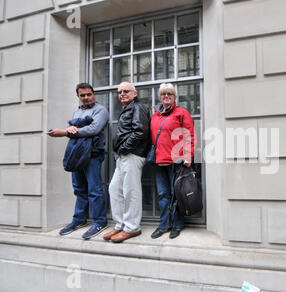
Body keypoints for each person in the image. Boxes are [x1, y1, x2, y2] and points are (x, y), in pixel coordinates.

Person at [47, 83, 109, 239]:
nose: (86, 97)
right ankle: (79, 220)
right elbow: (72, 128)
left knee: (94, 189)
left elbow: (93, 129)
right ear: (78, 96)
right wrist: (70, 129)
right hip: (77, 154)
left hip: (93, 154)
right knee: (79, 189)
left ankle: (100, 221)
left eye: (89, 94)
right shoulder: (76, 112)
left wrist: (66, 132)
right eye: (83, 95)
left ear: (93, 94)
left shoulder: (100, 110)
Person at [102, 82, 150, 243]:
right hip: (123, 155)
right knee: (114, 189)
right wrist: (121, 151)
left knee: (131, 191)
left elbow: (140, 132)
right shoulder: (127, 109)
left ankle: (132, 227)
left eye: (126, 91)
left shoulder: (138, 108)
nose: (122, 94)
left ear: (134, 93)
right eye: (120, 92)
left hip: (132, 154)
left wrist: (123, 148)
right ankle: (120, 224)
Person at [150, 83, 196, 240]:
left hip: (176, 161)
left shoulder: (181, 113)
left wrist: (188, 156)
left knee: (177, 195)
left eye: (169, 94)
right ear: (160, 97)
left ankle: (177, 224)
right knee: (163, 195)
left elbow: (189, 135)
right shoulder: (155, 115)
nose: (166, 96)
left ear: (175, 97)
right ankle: (164, 225)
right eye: (163, 94)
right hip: (159, 161)